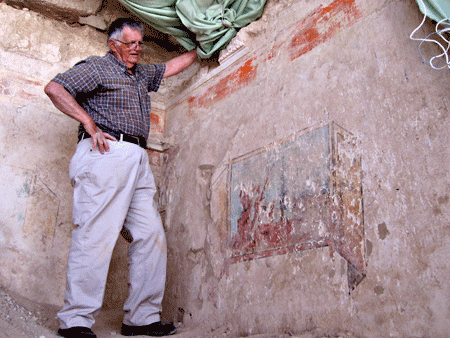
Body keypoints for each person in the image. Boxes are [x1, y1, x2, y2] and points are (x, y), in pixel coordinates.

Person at [44, 18, 197, 338]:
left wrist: (204, 46)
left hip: (137, 160)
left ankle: (141, 317)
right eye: (130, 43)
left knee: (150, 235)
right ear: (114, 44)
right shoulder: (98, 67)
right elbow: (55, 87)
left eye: (140, 43)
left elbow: (170, 67)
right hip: (105, 153)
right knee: (95, 235)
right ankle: (75, 320)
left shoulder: (141, 73)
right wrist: (88, 122)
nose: (137, 49)